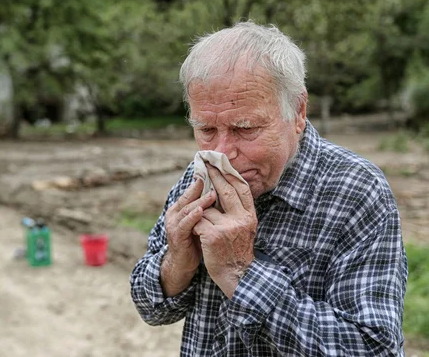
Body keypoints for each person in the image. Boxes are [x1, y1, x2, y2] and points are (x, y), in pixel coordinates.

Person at [130, 21, 407, 356]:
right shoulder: (201, 175)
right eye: (206, 129)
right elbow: (152, 309)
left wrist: (241, 273)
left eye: (245, 128)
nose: (222, 152)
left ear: (298, 112)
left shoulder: (357, 191)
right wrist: (176, 261)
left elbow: (373, 349)